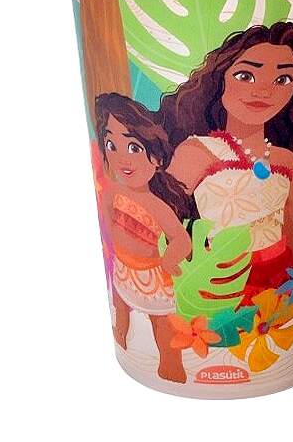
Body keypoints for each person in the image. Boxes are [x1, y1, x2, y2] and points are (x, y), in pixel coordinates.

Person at [161, 23, 293, 301]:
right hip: (222, 282)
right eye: (246, 75)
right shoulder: (198, 152)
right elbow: (161, 218)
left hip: (279, 282)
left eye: (282, 79)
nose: (264, 91)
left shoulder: (285, 160)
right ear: (221, 80)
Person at [94, 93, 193, 383]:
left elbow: (181, 239)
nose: (122, 158)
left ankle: (171, 365)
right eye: (111, 145)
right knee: (120, 308)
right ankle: (123, 338)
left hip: (153, 275)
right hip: (122, 268)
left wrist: (170, 259)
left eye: (134, 147)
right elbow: (106, 217)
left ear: (158, 159)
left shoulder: (156, 206)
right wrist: (111, 246)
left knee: (164, 324)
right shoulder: (113, 192)